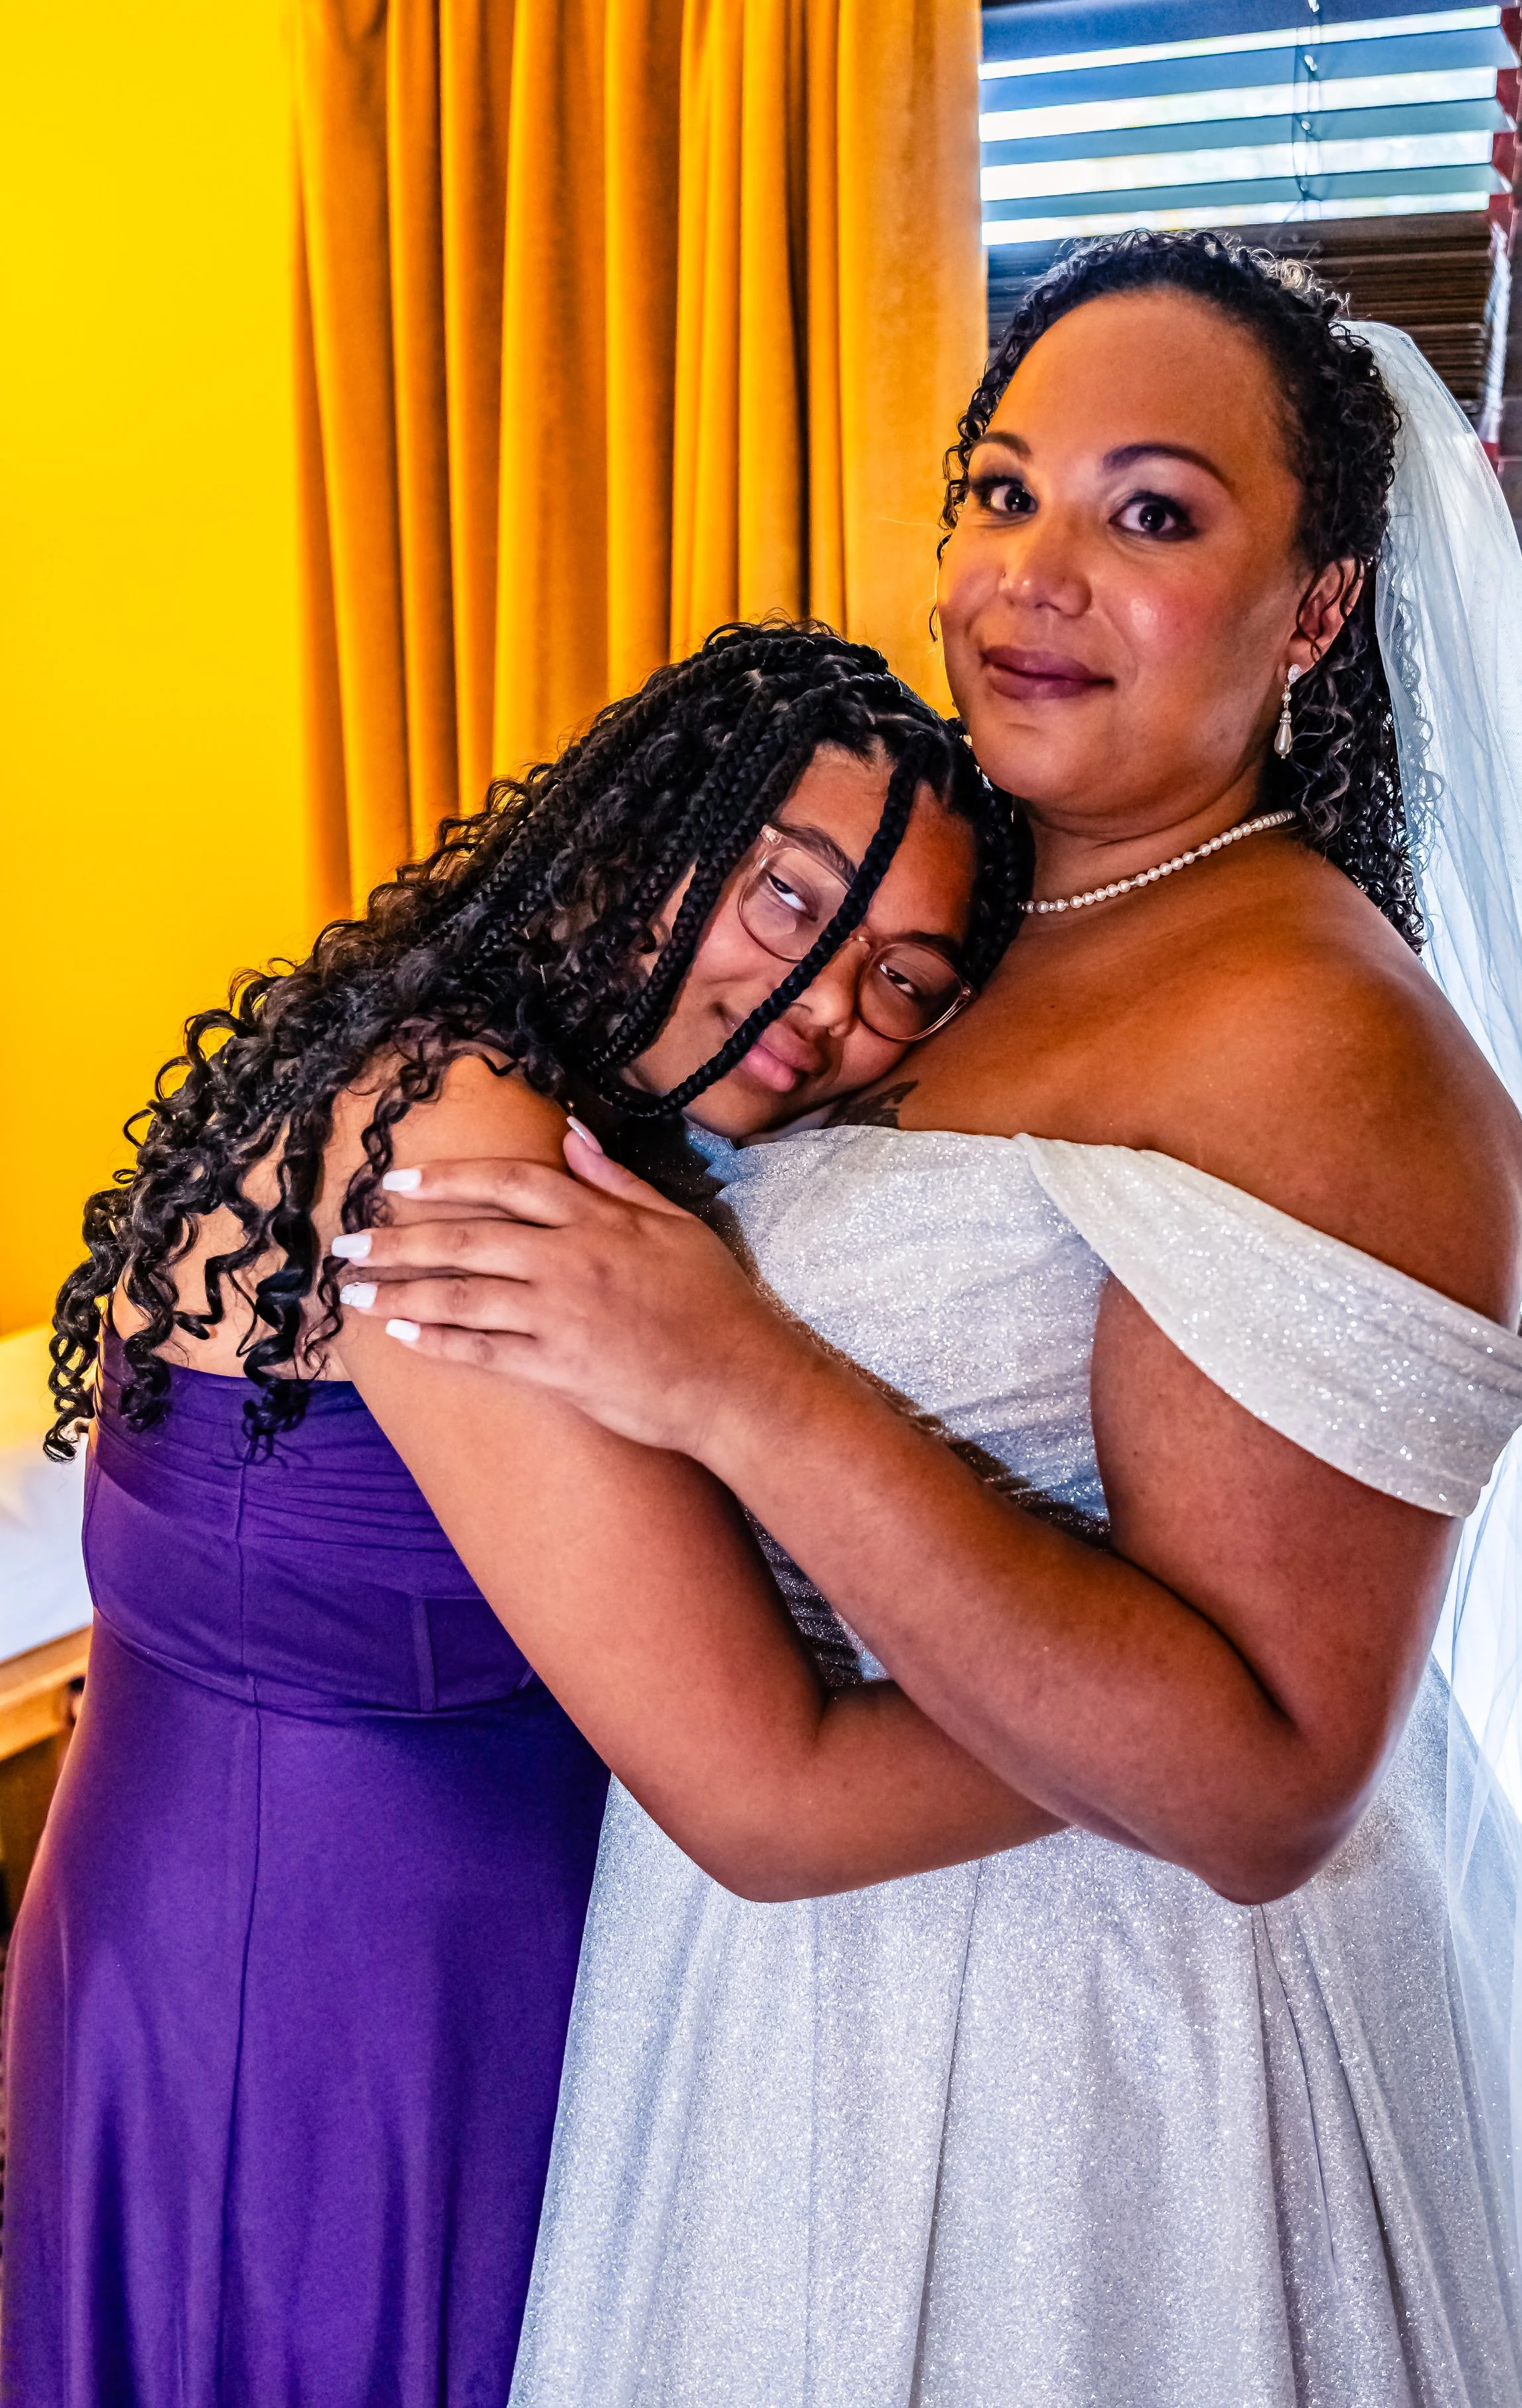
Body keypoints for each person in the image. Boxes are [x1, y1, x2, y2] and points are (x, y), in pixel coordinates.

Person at [344, 236, 1522, 2407]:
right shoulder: (946, 906)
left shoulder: (1321, 1044)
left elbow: (1263, 1792)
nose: (1025, 575)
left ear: (1313, 606)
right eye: (998, 488)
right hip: (774, 1990)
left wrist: (733, 1372)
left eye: (1150, 513)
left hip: (1107, 2063)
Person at [9, 624, 1035, 2408]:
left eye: (903, 980)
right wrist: (1188, 1717)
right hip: (336, 2011)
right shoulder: (465, 1139)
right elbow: (768, 1794)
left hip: (272, 1948)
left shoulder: (487, 1075)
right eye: (790, 904)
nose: (823, 1011)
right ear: (650, 837)